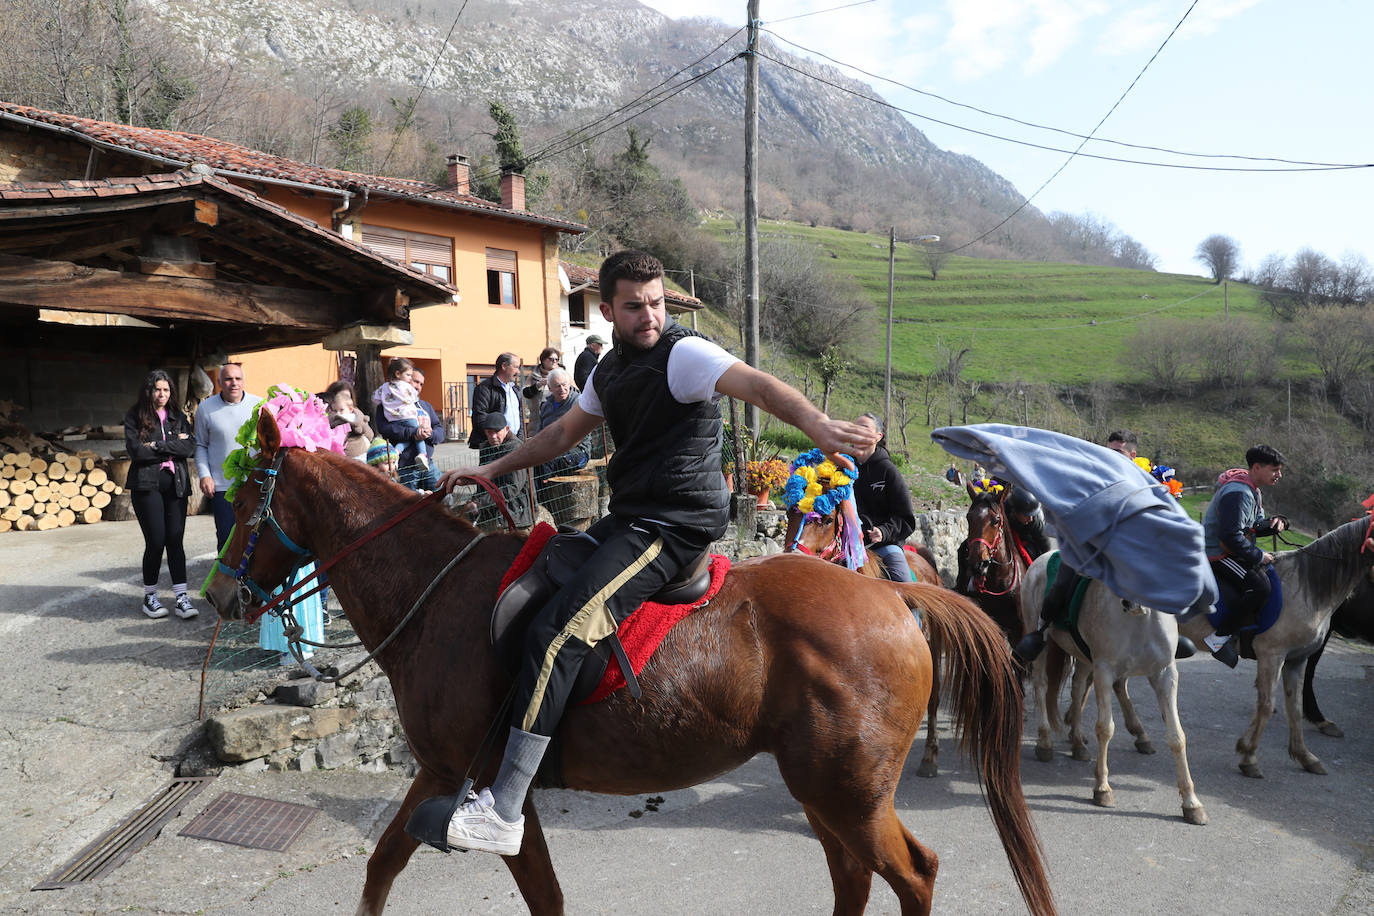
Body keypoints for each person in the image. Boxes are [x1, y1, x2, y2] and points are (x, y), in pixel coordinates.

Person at [411, 249, 877, 857]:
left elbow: (758, 386)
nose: (649, 316)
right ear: (606, 311)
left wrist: (816, 423)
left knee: (559, 631)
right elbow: (558, 435)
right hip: (630, 519)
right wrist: (491, 468)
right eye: (634, 307)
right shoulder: (607, 373)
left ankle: (504, 810)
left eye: (656, 303)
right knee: (543, 573)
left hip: (675, 526)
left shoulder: (684, 355)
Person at [1014, 430, 1195, 664]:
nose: (1111, 456)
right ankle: (1041, 630)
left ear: (1132, 454)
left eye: (1117, 451)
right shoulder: (1094, 476)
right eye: (1108, 451)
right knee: (1062, 581)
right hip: (1094, 547)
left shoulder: (1151, 479)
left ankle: (1172, 633)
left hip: (1139, 550)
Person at [1200, 444, 1289, 667]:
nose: (1279, 474)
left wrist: (1277, 522)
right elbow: (1230, 536)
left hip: (1230, 549)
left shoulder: (1252, 488)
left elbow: (1253, 524)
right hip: (1217, 553)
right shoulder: (1238, 492)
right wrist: (1258, 556)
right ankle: (1219, 639)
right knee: (1260, 587)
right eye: (1275, 469)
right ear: (1257, 467)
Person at [125, 370, 198, 620]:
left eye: (166, 390)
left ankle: (181, 598)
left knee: (175, 540)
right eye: (157, 389)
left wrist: (156, 445)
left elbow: (189, 447)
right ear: (149, 391)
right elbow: (137, 452)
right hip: (147, 486)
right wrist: (172, 447)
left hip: (176, 484)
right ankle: (150, 597)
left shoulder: (178, 416)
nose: (162, 394)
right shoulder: (135, 416)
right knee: (156, 541)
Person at [194, 362, 262, 551]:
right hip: (222, 485)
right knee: (226, 537)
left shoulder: (258, 405)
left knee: (255, 535)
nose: (234, 383)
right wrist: (204, 475)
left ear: (244, 381)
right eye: (228, 379)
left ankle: (251, 579)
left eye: (238, 379)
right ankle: (226, 577)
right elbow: (200, 445)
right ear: (219, 382)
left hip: (254, 482)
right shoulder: (206, 408)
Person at [848, 413, 916, 582]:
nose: (858, 432)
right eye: (855, 428)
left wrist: (883, 532)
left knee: (903, 585)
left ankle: (911, 609)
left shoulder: (888, 470)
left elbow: (906, 518)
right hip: (847, 546)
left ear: (878, 436)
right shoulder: (842, 467)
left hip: (883, 546)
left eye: (864, 428)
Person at [465, 412, 534, 529]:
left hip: (516, 508)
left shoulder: (516, 449)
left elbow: (513, 488)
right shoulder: (486, 448)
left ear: (506, 429)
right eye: (489, 432)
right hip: (493, 503)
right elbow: (483, 482)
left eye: (497, 432)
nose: (493, 436)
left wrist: (481, 502)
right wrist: (475, 499)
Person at [372, 357, 431, 474]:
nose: (410, 379)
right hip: (408, 416)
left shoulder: (384, 387)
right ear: (398, 374)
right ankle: (422, 454)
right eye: (408, 375)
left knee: (409, 437)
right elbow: (414, 397)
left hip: (393, 418)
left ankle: (397, 452)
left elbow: (375, 398)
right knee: (417, 435)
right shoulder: (406, 386)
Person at [533, 369, 589, 479]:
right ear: (550, 388)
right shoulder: (546, 406)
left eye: (564, 385)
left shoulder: (578, 403)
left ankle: (545, 494)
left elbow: (578, 435)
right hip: (551, 449)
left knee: (547, 462)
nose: (562, 389)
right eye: (557, 386)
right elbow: (540, 432)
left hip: (577, 450)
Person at [468, 353, 523, 447]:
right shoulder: (485, 388)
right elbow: (480, 418)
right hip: (493, 445)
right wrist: (500, 436)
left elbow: (520, 417)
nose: (518, 372)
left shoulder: (515, 389)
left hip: (515, 443)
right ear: (504, 366)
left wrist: (519, 439)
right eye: (516, 367)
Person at [323, 380, 374, 461]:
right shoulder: (329, 416)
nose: (343, 399)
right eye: (339, 396)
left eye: (347, 396)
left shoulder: (357, 415)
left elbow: (369, 435)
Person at [522, 347, 561, 423]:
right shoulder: (534, 376)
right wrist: (538, 385)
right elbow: (525, 393)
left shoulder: (563, 375)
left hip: (558, 417)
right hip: (537, 419)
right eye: (551, 359)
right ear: (543, 360)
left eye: (556, 359)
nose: (554, 361)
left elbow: (573, 392)